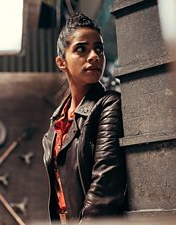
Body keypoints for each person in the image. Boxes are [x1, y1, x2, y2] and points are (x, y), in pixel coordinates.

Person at [42, 12, 127, 224]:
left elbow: (103, 190)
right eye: (82, 49)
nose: (94, 56)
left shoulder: (108, 104)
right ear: (61, 62)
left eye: (98, 48)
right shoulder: (56, 124)